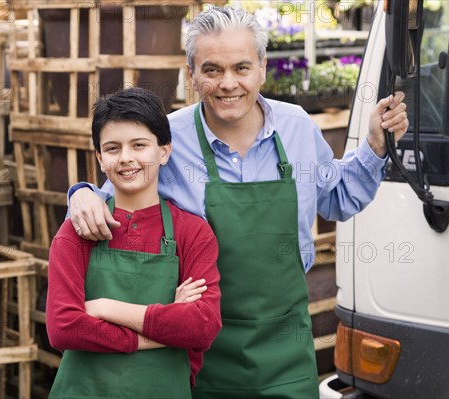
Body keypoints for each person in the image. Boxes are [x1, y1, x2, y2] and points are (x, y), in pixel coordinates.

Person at [67, 7, 409, 399]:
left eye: (241, 68)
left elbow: (338, 198)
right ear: (191, 72)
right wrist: (83, 195)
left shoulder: (296, 128)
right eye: (212, 70)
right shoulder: (168, 139)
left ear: (262, 67)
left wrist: (375, 146)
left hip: (286, 350)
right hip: (195, 353)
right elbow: (111, 198)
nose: (228, 83)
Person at [46, 88, 222, 399]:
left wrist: (104, 308)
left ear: (163, 151)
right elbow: (63, 328)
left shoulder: (192, 233)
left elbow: (202, 326)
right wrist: (159, 331)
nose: (126, 158)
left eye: (139, 145)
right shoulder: (76, 232)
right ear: (100, 159)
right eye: (112, 148)